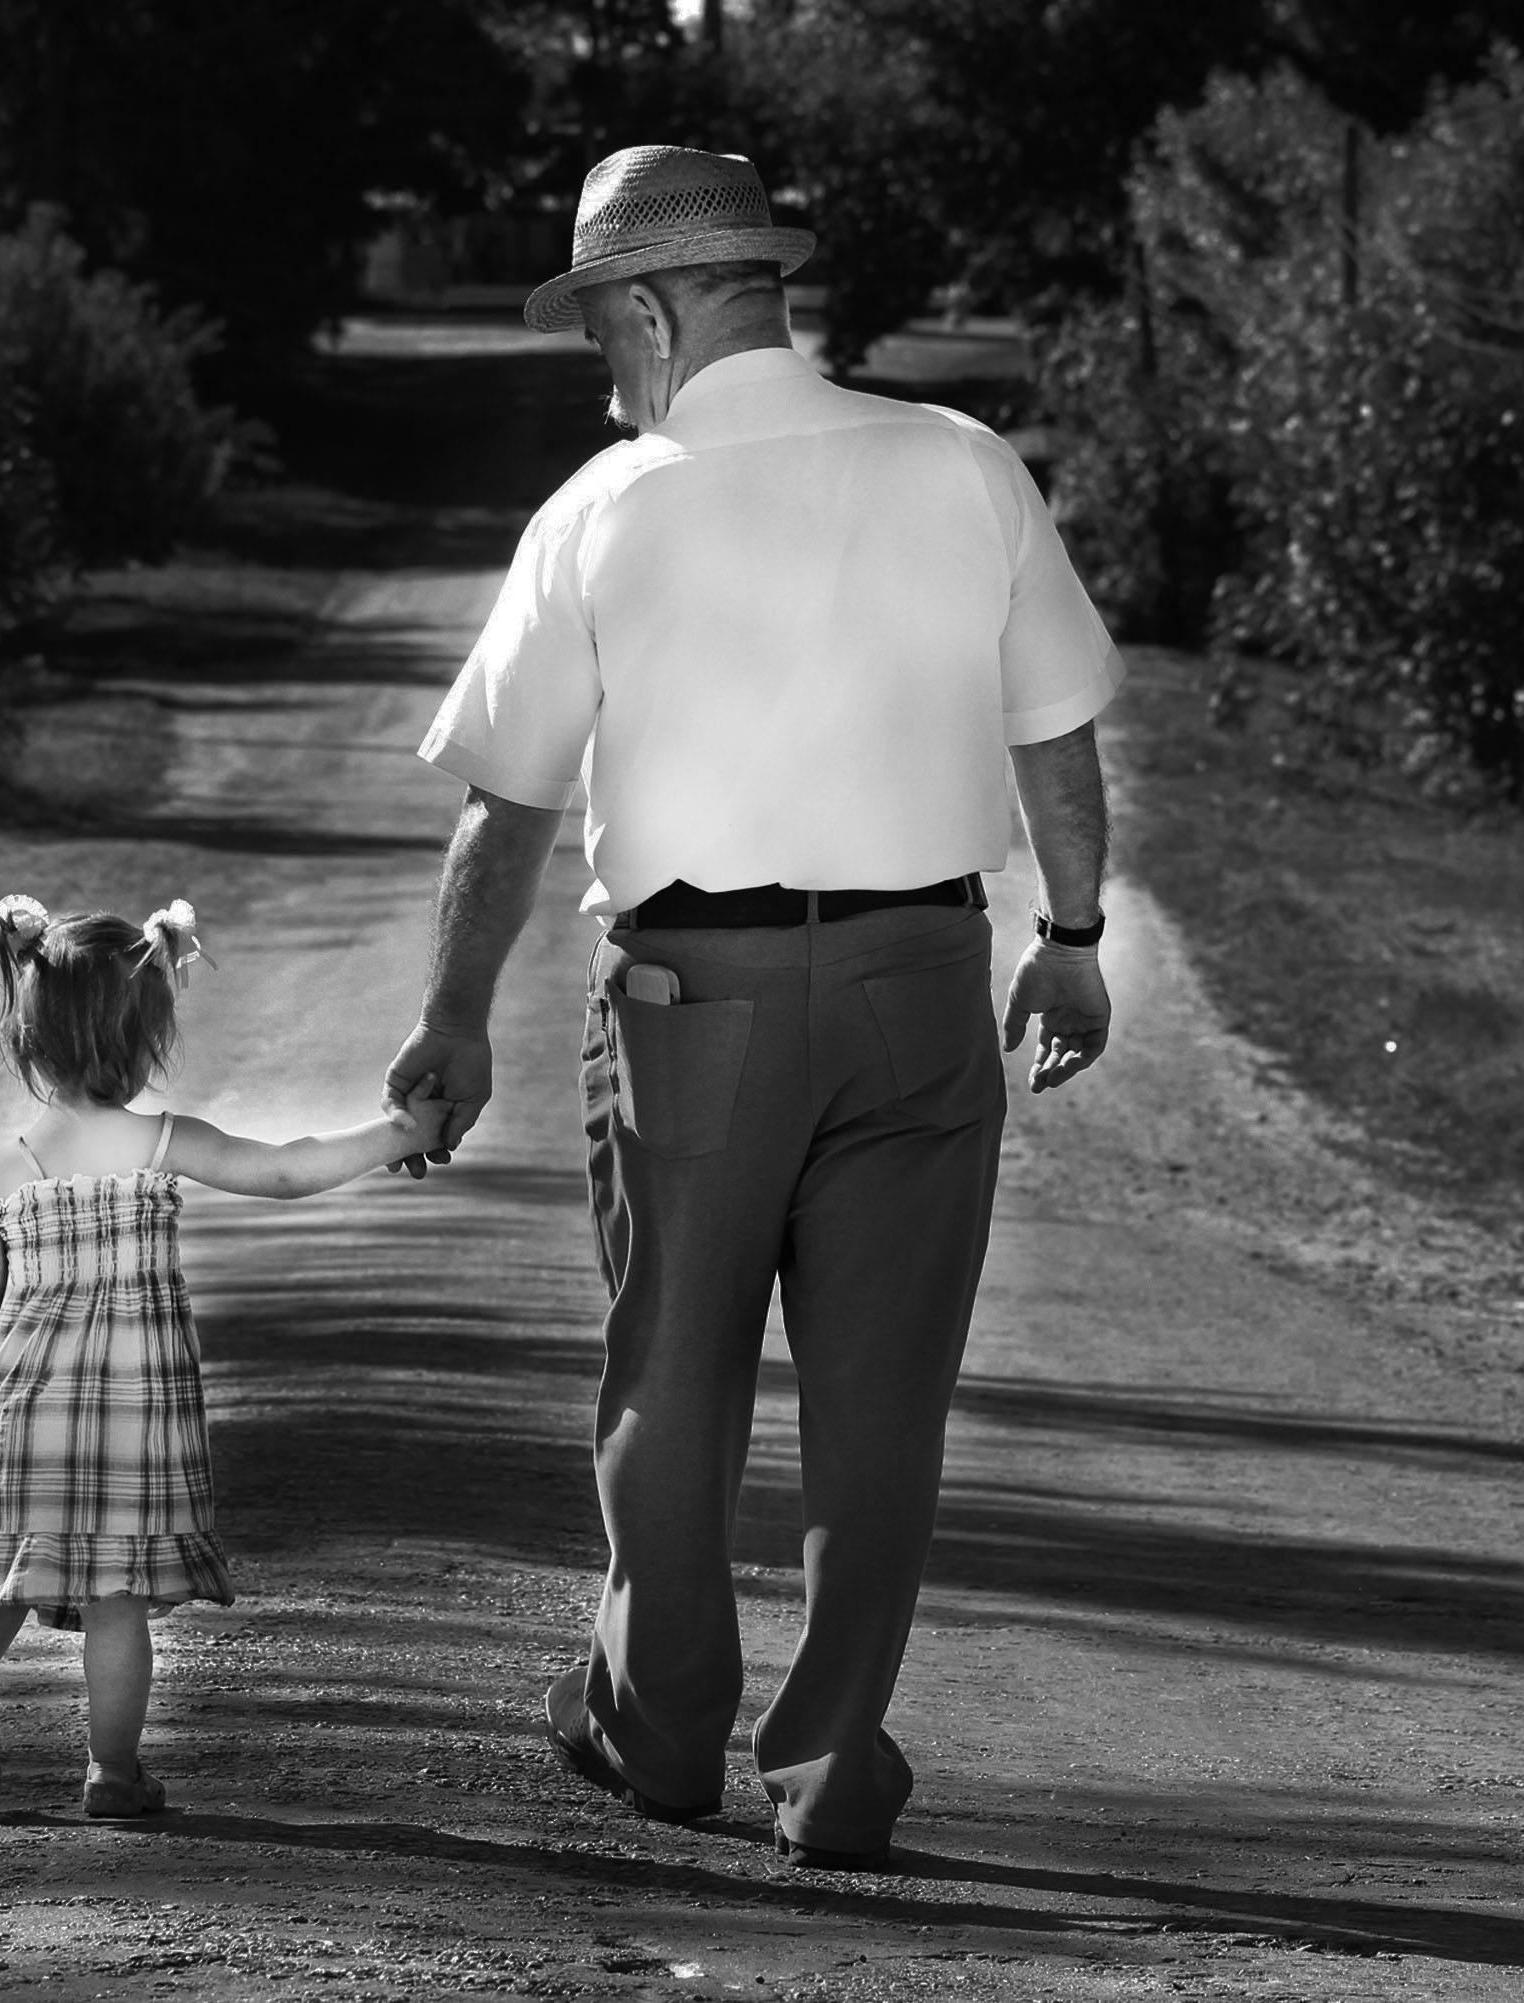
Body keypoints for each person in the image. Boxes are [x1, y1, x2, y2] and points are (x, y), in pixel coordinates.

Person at [384, 145, 1121, 1870]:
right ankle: (833, 1763)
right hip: (923, 981)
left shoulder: (606, 507)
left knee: (674, 1373)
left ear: (646, 309)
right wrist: (1071, 934)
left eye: (598, 326)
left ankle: (657, 1734)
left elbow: (505, 805)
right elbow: (1056, 731)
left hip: (685, 996)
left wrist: (454, 1018)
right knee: (882, 1403)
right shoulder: (964, 464)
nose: (601, 362)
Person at [0, 893, 451, 1814]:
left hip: (22, 1402)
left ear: (29, 1039)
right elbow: (287, 1167)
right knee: (116, 1593)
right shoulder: (163, 1143)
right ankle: (112, 1769)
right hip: (134, 1412)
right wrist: (401, 1132)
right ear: (149, 1033)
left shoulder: (10, 1168)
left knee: (5, 1557)